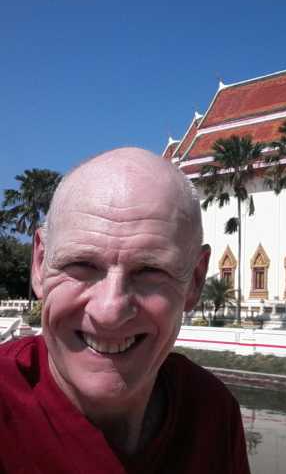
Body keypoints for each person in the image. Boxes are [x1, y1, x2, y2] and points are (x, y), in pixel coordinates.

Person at [0, 148, 250, 473]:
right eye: (81, 265)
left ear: (195, 281)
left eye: (149, 270)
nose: (109, 311)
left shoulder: (210, 412)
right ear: (39, 265)